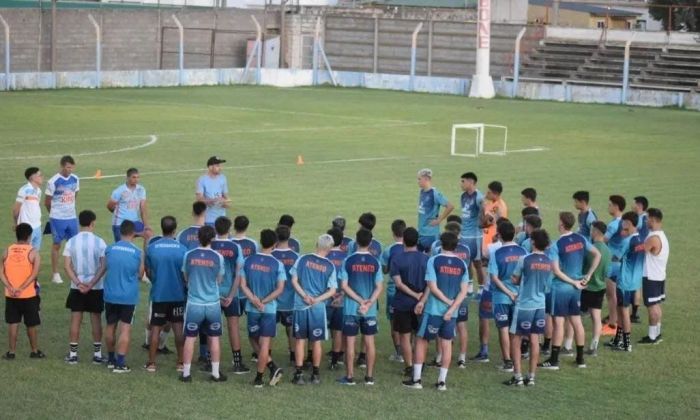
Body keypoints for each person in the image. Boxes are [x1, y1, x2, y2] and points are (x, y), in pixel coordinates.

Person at [402, 232, 468, 391]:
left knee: (421, 340)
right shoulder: (462, 264)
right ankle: (441, 382)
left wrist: (441, 302)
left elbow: (432, 287)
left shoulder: (434, 260)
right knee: (446, 344)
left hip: (433, 311)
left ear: (441, 244)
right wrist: (451, 308)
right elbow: (463, 291)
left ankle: (417, 380)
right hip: (451, 313)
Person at [539, 212, 600, 370]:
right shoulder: (581, 239)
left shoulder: (556, 244)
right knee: (576, 321)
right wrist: (587, 276)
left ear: (561, 224)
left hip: (560, 287)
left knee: (558, 322)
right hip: (576, 288)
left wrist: (573, 281)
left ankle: (553, 360)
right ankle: (580, 359)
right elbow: (597, 254)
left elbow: (556, 271)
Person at [504, 229, 552, 387]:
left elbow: (516, 279)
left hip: (524, 304)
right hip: (540, 304)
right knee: (534, 339)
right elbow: (547, 286)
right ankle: (531, 377)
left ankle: (517, 376)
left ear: (532, 242)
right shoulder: (548, 261)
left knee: (516, 339)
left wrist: (514, 279)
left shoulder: (524, 259)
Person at [180, 225, 227, 383]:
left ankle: (186, 374)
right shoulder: (218, 257)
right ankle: (215, 373)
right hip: (213, 303)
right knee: (214, 338)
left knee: (190, 338)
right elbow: (219, 280)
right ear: (213, 238)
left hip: (194, 303)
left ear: (198, 238)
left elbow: (186, 278)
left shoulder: (189, 255)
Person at [240, 229, 286, 387]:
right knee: (264, 343)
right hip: (269, 309)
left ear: (260, 241)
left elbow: (242, 285)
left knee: (254, 338)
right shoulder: (277, 264)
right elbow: (280, 289)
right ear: (275, 244)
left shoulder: (248, 260)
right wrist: (264, 302)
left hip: (252, 308)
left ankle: (265, 373)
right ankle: (266, 372)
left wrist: (253, 299)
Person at [290, 234, 338, 385]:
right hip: (318, 308)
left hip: (301, 305)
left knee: (299, 341)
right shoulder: (330, 266)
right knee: (316, 341)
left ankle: (298, 375)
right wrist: (316, 300)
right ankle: (315, 375)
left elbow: (294, 280)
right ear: (330, 249)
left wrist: (305, 296)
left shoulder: (302, 259)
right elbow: (332, 291)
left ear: (316, 244)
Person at [337, 229, 383, 386]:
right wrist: (369, 302)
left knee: (350, 343)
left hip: (351, 308)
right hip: (369, 310)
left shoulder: (348, 261)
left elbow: (344, 286)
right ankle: (369, 377)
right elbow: (379, 287)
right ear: (370, 243)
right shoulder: (375, 261)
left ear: (356, 241)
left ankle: (350, 377)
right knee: (369, 342)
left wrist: (359, 300)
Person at [144, 216, 188, 373]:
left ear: (162, 229)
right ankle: (180, 362)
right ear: (175, 230)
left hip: (159, 294)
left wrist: (156, 281)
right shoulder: (183, 249)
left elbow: (148, 272)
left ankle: (151, 363)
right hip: (177, 295)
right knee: (178, 328)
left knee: (156, 328)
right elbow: (185, 275)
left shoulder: (152, 248)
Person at [63, 210, 107, 365]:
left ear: (79, 223)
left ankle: (73, 355)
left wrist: (78, 282)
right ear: (92, 223)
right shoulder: (100, 242)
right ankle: (97, 354)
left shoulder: (71, 242)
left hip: (77, 287)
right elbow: (103, 266)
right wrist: (92, 283)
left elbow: (67, 266)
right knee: (96, 319)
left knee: (76, 318)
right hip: (95, 288)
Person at [429, 221, 472, 368]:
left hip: (442, 292)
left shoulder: (437, 248)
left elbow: (434, 264)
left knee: (440, 326)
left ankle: (440, 356)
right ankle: (462, 357)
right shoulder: (466, 249)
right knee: (461, 325)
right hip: (462, 292)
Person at [103, 220, 145, 373]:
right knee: (125, 329)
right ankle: (120, 364)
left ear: (120, 232)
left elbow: (104, 268)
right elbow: (140, 275)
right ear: (133, 233)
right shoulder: (138, 252)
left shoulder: (110, 249)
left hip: (110, 294)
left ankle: (110, 358)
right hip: (128, 296)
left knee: (110, 325)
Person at [211, 216, 249, 374]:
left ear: (215, 228)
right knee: (233, 327)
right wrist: (232, 295)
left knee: (212, 328)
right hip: (230, 293)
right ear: (229, 228)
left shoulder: (210, 245)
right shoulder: (235, 247)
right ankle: (237, 363)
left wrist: (215, 293)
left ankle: (210, 361)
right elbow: (238, 274)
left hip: (212, 293)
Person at [489, 220, 527, 373]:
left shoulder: (497, 253)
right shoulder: (523, 251)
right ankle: (514, 357)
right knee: (514, 329)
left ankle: (507, 361)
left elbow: (494, 278)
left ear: (500, 235)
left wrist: (508, 292)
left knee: (503, 328)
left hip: (501, 296)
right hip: (519, 296)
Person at [1, 223, 43, 360]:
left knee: (13, 323)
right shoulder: (33, 253)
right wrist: (22, 288)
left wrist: (11, 287)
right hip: (29, 295)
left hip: (11, 295)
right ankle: (35, 351)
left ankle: (11, 352)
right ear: (30, 236)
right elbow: (34, 275)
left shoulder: (7, 250)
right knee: (31, 324)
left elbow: (1, 273)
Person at [390, 227, 429, 377]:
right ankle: (420, 363)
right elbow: (430, 284)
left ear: (404, 241)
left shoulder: (397, 259)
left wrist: (413, 294)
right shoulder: (426, 259)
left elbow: (399, 284)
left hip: (402, 303)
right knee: (420, 336)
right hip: (422, 303)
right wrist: (421, 297)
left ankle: (409, 366)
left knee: (405, 336)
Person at [608, 212, 644, 352]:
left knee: (623, 311)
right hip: (634, 280)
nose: (621, 225)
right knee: (620, 309)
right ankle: (618, 339)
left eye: (623, 223)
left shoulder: (628, 241)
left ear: (628, 223)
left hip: (624, 280)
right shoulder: (641, 239)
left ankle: (626, 343)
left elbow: (616, 258)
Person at [45, 156, 79, 284]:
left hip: (71, 217)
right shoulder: (53, 181)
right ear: (62, 166)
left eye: (72, 167)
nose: (70, 170)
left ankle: (74, 270)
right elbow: (47, 202)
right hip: (57, 218)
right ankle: (55, 273)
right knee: (57, 245)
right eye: (67, 167)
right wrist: (54, 213)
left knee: (74, 245)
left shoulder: (75, 179)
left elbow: (75, 194)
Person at [231, 215, 259, 361]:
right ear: (247, 226)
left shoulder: (229, 243)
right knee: (254, 323)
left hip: (233, 290)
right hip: (249, 290)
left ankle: (237, 356)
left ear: (234, 226)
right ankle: (258, 353)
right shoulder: (253, 244)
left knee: (234, 325)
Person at [581, 221, 611, 356]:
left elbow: (584, 267)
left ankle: (572, 343)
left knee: (575, 317)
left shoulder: (591, 249)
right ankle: (594, 345)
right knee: (596, 317)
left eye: (592, 230)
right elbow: (607, 271)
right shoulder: (608, 251)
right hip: (600, 286)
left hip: (588, 287)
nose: (591, 232)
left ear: (597, 232)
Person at [272, 225, 300, 365]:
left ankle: (266, 354)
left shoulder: (270, 256)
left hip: (272, 301)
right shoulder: (297, 257)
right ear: (289, 237)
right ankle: (293, 355)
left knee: (269, 329)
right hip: (290, 301)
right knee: (291, 329)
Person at [639, 208, 668, 345]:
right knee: (656, 305)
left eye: (647, 218)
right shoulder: (661, 235)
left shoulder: (653, 238)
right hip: (659, 275)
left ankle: (652, 337)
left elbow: (640, 250)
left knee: (651, 306)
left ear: (653, 220)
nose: (645, 221)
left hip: (651, 277)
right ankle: (657, 333)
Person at [602, 195, 627, 336]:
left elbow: (604, 240)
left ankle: (612, 324)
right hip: (621, 262)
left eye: (610, 204)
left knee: (611, 296)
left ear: (616, 206)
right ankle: (616, 321)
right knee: (617, 295)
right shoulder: (625, 222)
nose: (608, 207)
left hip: (612, 264)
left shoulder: (613, 225)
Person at [381, 219, 405, 364]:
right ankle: (409, 348)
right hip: (409, 291)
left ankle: (399, 353)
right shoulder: (412, 247)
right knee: (409, 322)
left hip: (393, 291)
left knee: (394, 322)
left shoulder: (389, 250)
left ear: (393, 232)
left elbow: (385, 270)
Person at [107, 168, 151, 244]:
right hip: (120, 224)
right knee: (122, 246)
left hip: (134, 222)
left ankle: (146, 255)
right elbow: (109, 206)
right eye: (134, 177)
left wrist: (146, 225)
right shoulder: (119, 191)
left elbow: (143, 209)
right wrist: (119, 214)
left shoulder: (141, 190)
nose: (136, 179)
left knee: (148, 234)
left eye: (138, 177)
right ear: (127, 178)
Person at [324, 227, 348, 370]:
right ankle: (335, 360)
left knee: (319, 328)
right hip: (342, 299)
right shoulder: (347, 257)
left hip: (326, 298)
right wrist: (341, 294)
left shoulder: (324, 256)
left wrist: (330, 293)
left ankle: (311, 357)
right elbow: (348, 279)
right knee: (337, 330)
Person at [416, 168, 454, 253]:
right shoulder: (422, 191)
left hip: (431, 233)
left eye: (419, 179)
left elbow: (450, 206)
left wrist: (439, 219)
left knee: (431, 256)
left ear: (426, 179)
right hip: (421, 231)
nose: (417, 181)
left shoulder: (435, 193)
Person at [13, 167, 44, 251]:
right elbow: (16, 209)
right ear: (32, 178)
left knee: (35, 253)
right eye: (40, 175)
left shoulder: (39, 191)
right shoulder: (24, 190)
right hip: (26, 227)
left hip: (37, 226)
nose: (42, 177)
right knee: (25, 253)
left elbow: (37, 206)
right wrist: (16, 224)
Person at [630, 196, 649, 323]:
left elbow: (633, 230)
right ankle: (634, 313)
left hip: (638, 251)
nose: (633, 206)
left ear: (640, 205)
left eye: (634, 204)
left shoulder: (642, 218)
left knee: (635, 282)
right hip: (642, 251)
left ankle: (634, 314)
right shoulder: (647, 217)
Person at [196, 156, 229, 227]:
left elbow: (226, 197)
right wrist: (214, 200)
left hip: (222, 219)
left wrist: (226, 202)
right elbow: (199, 199)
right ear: (210, 167)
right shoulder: (202, 180)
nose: (220, 168)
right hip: (208, 219)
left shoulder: (223, 178)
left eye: (220, 165)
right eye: (217, 166)